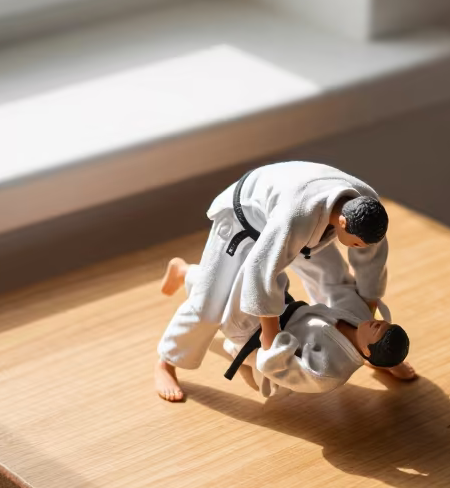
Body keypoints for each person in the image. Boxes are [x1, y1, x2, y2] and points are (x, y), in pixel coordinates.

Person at [154, 161, 391, 402]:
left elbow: (372, 255)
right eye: (356, 243)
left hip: (303, 217)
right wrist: (271, 339)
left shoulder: (367, 203)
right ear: (342, 222)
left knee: (335, 278)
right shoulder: (295, 217)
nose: (358, 248)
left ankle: (358, 346)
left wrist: (367, 327)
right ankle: (167, 362)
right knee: (209, 305)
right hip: (245, 219)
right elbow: (262, 270)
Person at [157, 255, 415, 401]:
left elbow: (277, 364)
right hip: (285, 312)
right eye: (384, 324)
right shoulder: (360, 319)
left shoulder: (327, 371)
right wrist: (389, 359)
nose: (377, 322)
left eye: (378, 331)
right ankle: (185, 271)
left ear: (368, 350)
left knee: (216, 300)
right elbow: (343, 292)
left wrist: (267, 315)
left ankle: (165, 362)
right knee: (255, 276)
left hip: (260, 340)